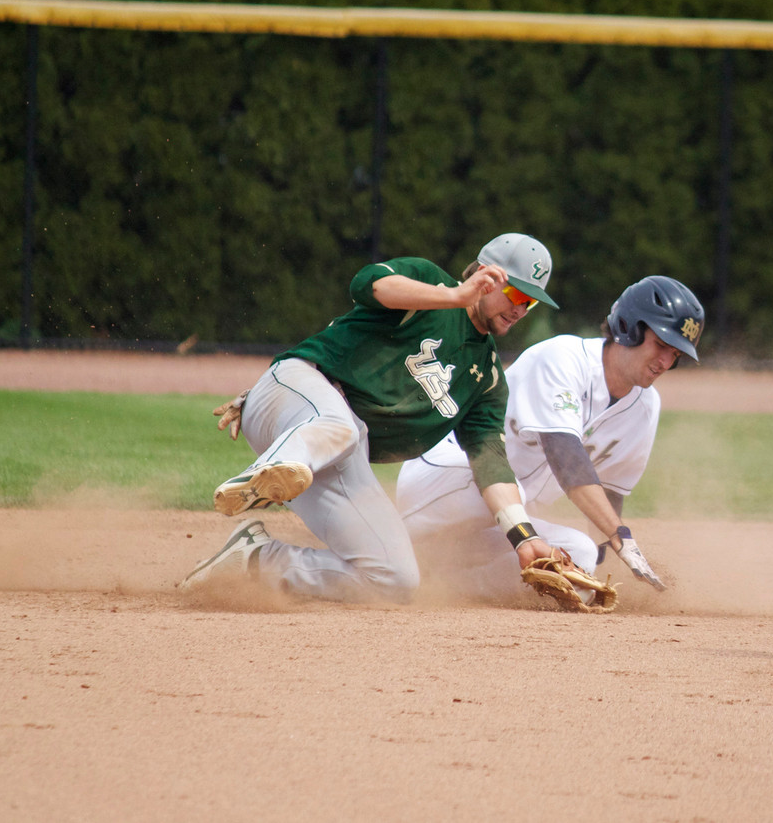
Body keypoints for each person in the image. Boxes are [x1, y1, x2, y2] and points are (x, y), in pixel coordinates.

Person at [179, 233, 563, 603]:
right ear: (483, 273)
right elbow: (368, 283)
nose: (519, 308)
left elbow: (490, 460)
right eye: (515, 293)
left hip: (338, 452)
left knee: (394, 580)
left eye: (529, 302)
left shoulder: (487, 377)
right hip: (300, 387)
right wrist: (454, 297)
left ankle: (253, 560)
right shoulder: (429, 282)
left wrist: (524, 537)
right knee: (342, 425)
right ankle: (275, 466)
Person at [396, 275, 704, 603]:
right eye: (661, 345)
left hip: (505, 520)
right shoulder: (563, 358)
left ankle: (443, 586)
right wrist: (621, 536)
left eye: (675, 354)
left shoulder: (645, 406)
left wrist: (597, 566)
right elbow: (565, 457)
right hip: (441, 481)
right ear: (629, 327)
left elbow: (610, 491)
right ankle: (406, 544)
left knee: (578, 556)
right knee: (518, 492)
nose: (665, 362)